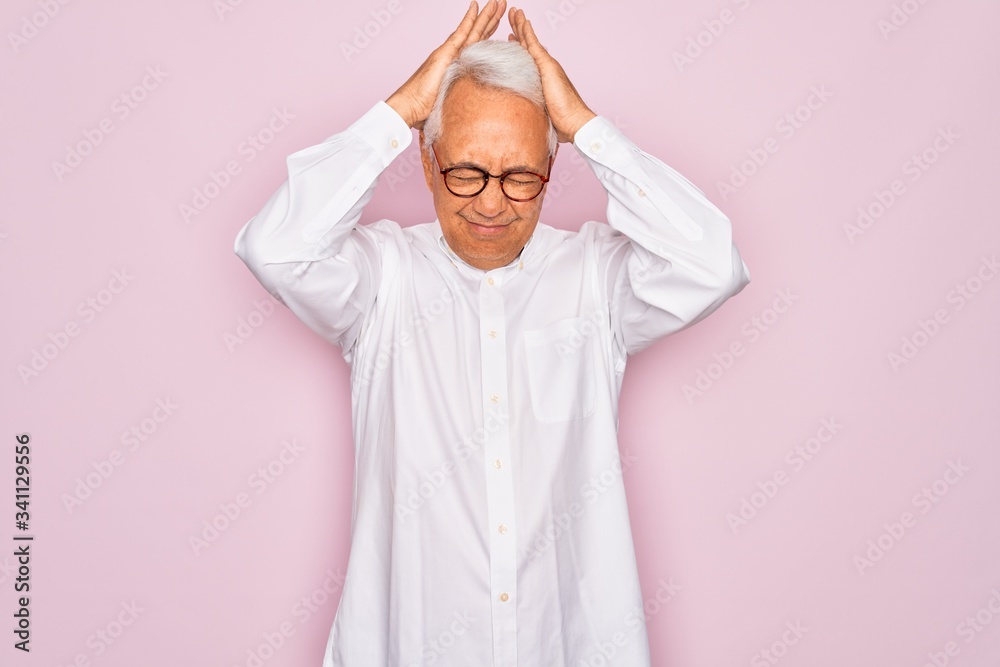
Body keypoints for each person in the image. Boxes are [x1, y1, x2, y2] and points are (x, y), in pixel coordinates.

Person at [233, 2, 750, 665]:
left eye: (519, 177)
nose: (489, 202)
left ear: (549, 174)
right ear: (428, 164)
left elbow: (713, 263)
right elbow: (274, 248)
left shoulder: (595, 279)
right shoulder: (380, 281)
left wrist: (586, 129)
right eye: (467, 171)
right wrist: (401, 111)